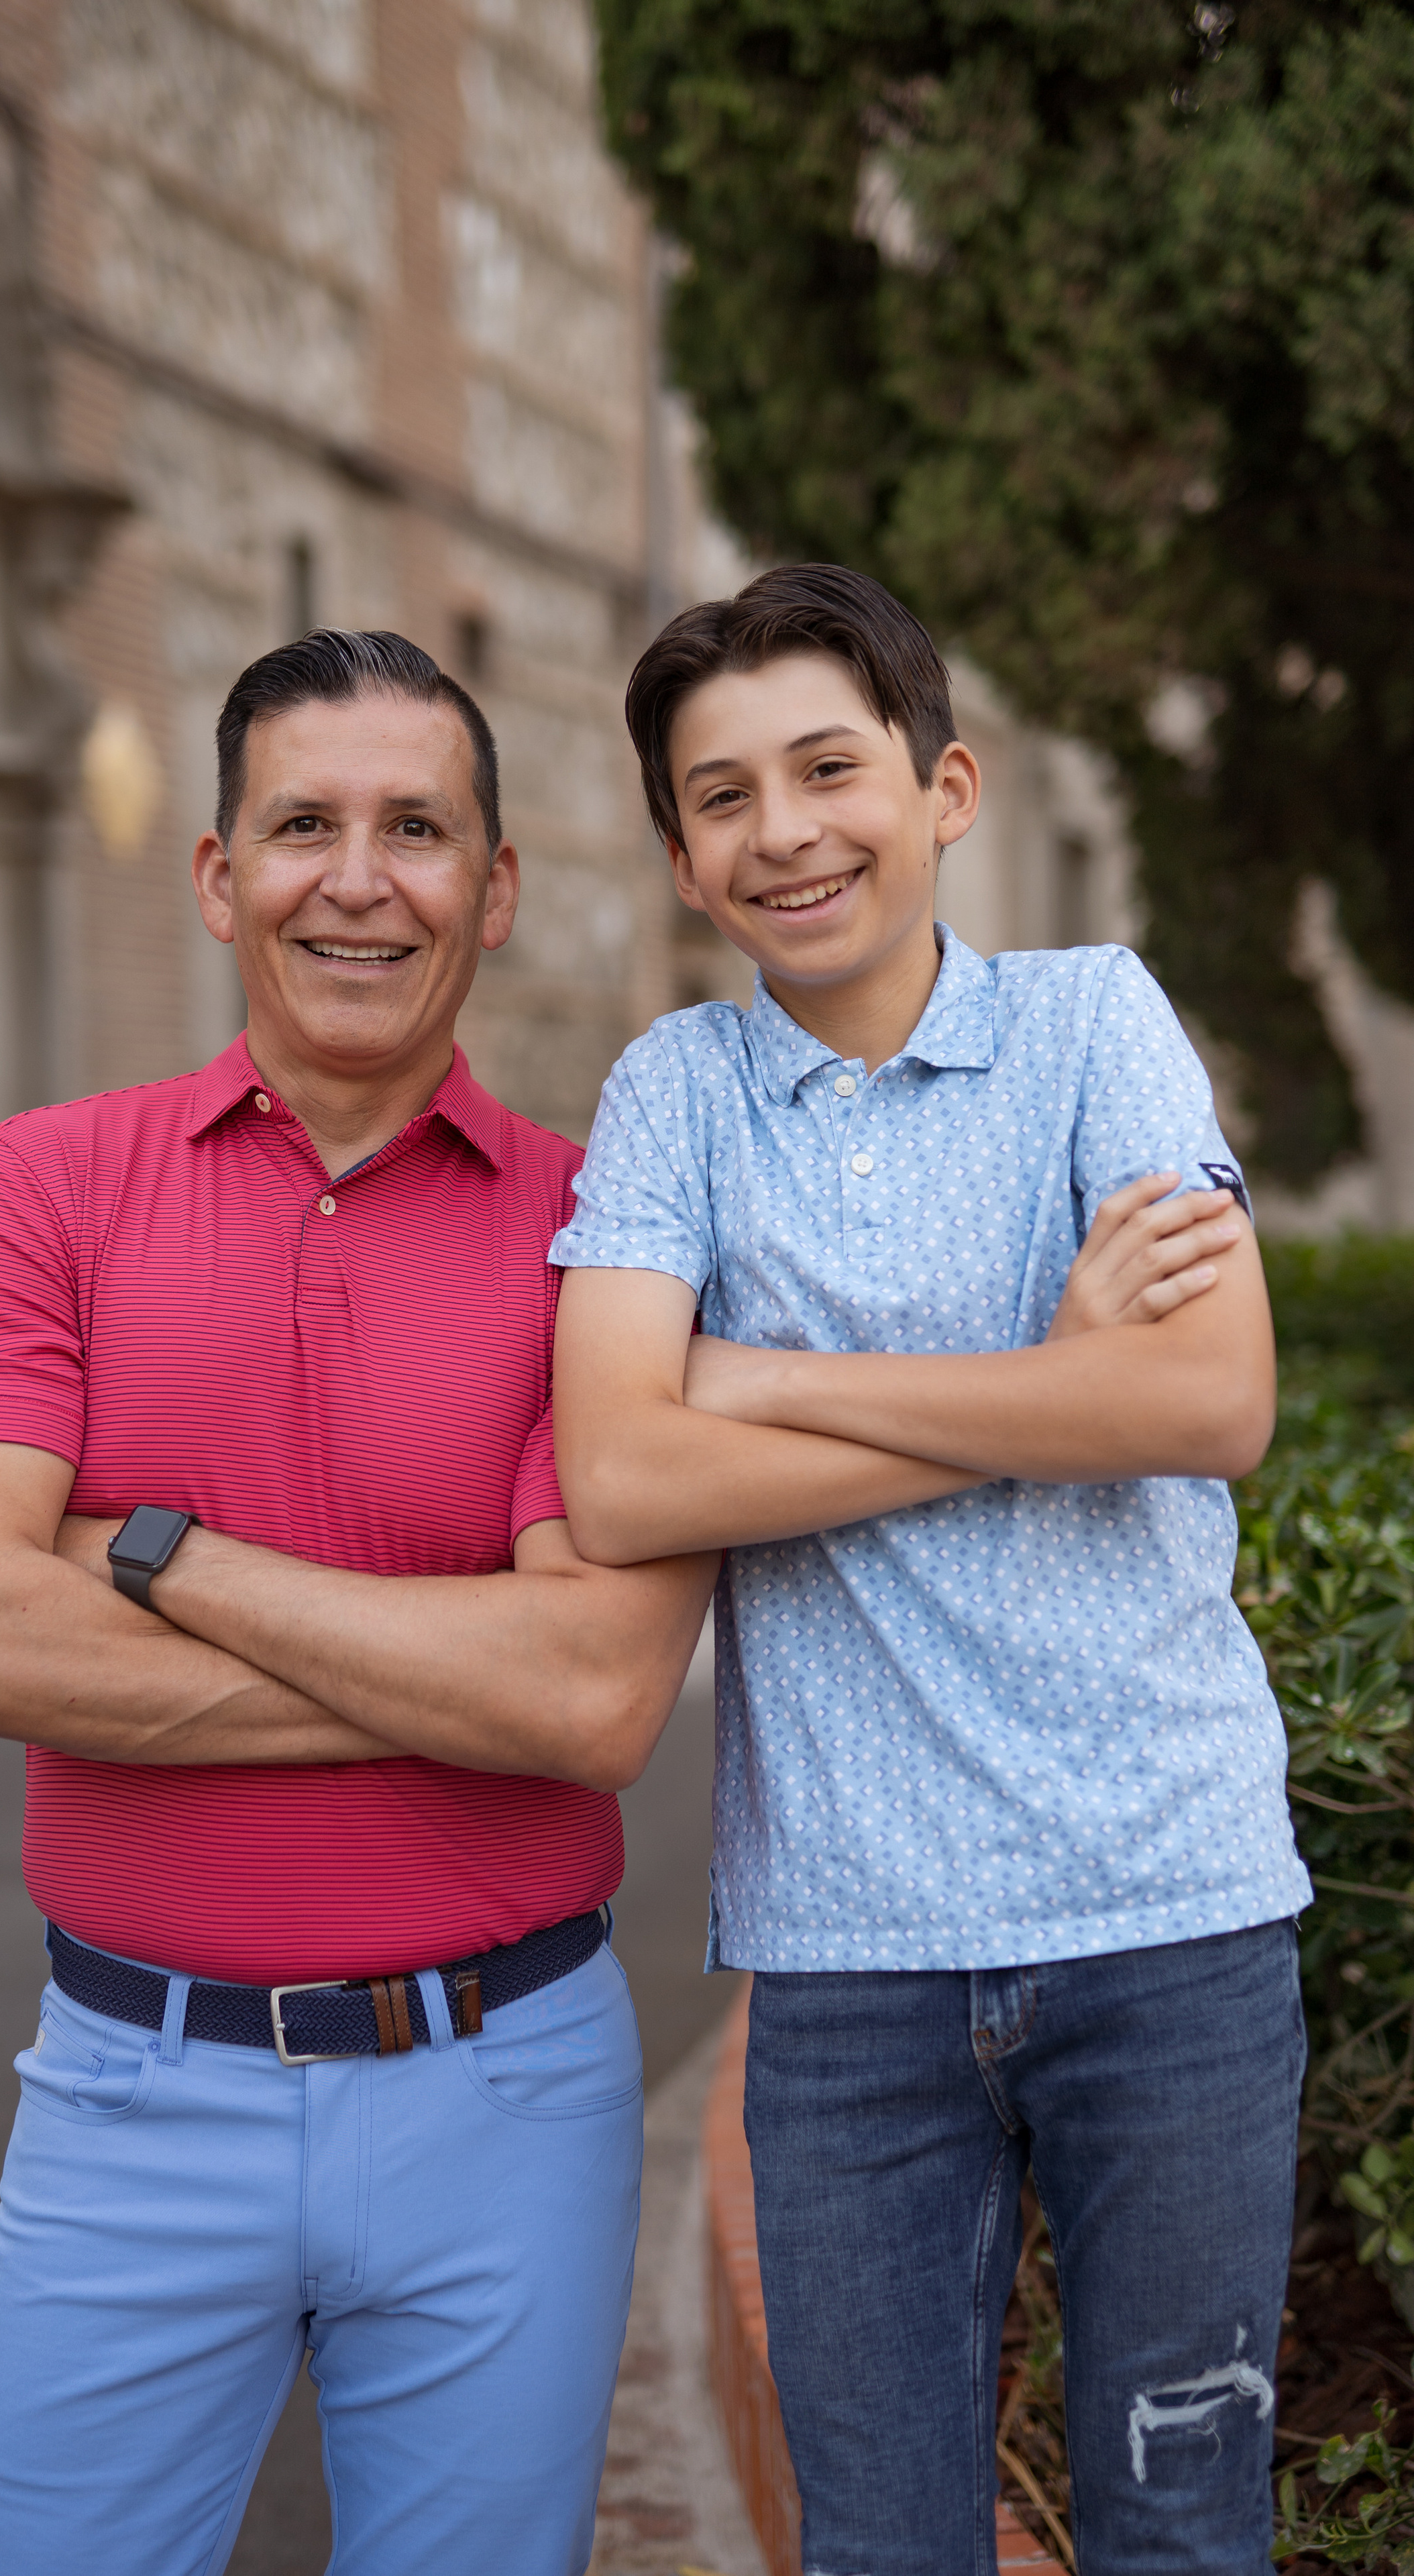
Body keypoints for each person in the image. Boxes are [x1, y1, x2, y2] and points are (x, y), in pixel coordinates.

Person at [0, 629, 724, 2576]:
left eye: (419, 828)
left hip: (507, 2091)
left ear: (495, 892)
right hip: (125, 2096)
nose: (360, 877)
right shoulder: (41, 1191)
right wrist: (462, 1667)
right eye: (303, 826)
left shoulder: (607, 1233)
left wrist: (164, 1562)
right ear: (217, 875)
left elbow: (594, 1708)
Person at [549, 564, 1311, 2576]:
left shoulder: (1096, 1024)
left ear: (945, 784)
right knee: (881, 2543)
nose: (783, 830)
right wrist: (1055, 1379)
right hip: (849, 1960)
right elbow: (625, 1473)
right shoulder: (677, 1095)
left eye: (826, 767)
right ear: (686, 856)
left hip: (1172, 1912)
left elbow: (1210, 1398)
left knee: (1181, 2528)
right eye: (722, 797)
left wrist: (775, 1387)